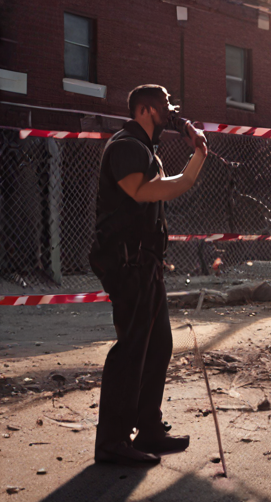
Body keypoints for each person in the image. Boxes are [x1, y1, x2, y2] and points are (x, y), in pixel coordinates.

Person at [89, 84, 207, 465]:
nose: (168, 116)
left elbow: (164, 188)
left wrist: (196, 156)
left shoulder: (145, 151)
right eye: (163, 109)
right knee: (131, 351)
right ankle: (112, 442)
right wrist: (196, 160)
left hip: (147, 265)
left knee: (158, 346)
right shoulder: (125, 146)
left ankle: (149, 429)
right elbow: (144, 192)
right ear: (143, 110)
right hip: (126, 265)